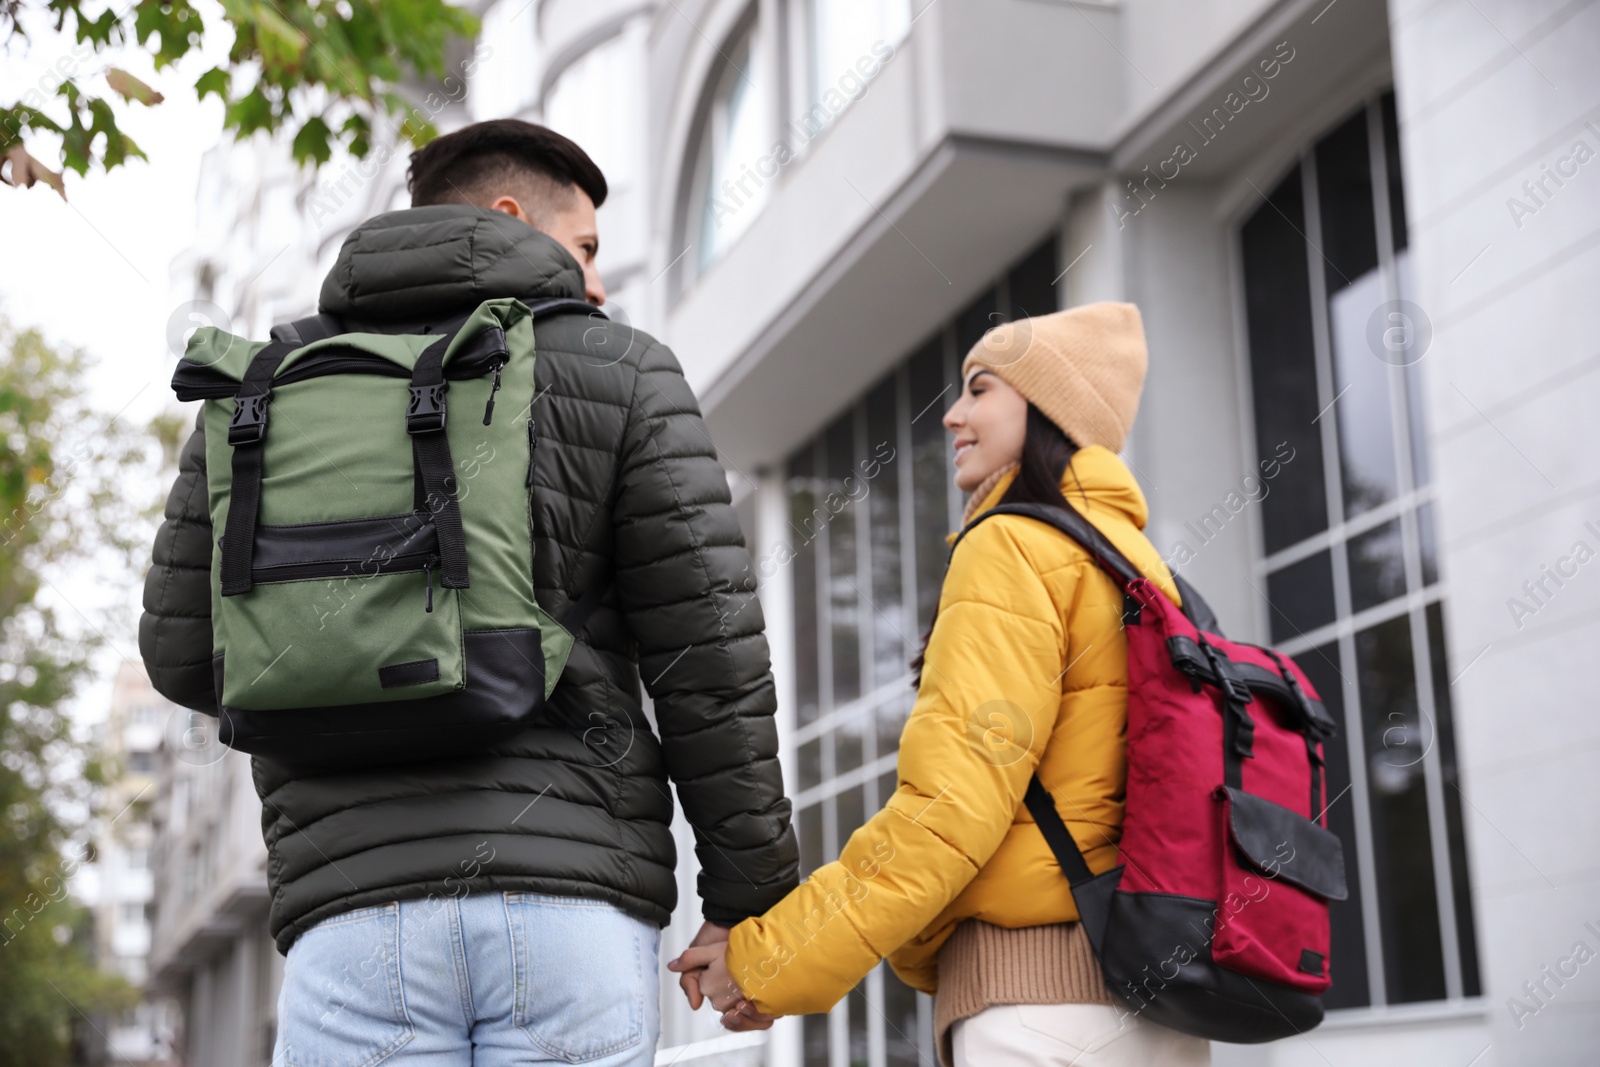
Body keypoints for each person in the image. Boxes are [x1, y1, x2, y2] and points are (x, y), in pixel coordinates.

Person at [139, 119, 798, 1065]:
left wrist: (349, 669)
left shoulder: (264, 385)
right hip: (570, 906)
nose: (597, 282)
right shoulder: (622, 367)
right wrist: (751, 905)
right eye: (585, 249)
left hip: (350, 917)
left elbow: (178, 653)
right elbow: (711, 661)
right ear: (508, 217)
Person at [669, 303, 1213, 1066]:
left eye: (981, 388)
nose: (954, 413)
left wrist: (769, 958)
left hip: (1039, 1011)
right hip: (1164, 1010)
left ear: (1051, 406)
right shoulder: (1151, 576)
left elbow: (947, 815)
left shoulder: (1015, 546)